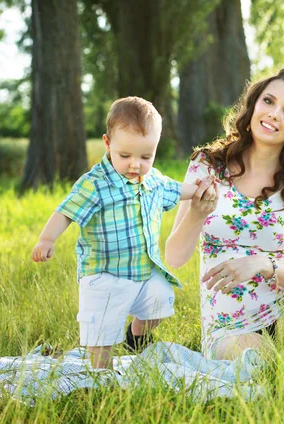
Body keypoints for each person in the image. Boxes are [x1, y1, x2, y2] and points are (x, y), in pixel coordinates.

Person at [165, 68, 284, 360]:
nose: (273, 114)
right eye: (268, 102)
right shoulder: (207, 164)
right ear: (254, 103)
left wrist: (263, 264)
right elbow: (174, 258)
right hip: (228, 324)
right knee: (270, 368)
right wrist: (196, 214)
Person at [31, 96, 215, 369]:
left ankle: (137, 336)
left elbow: (178, 190)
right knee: (101, 334)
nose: (135, 165)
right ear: (108, 144)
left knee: (162, 299)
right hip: (104, 275)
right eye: (125, 155)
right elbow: (66, 212)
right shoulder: (95, 184)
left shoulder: (153, 180)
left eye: (145, 156)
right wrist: (47, 239)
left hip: (143, 270)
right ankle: (100, 375)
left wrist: (201, 189)